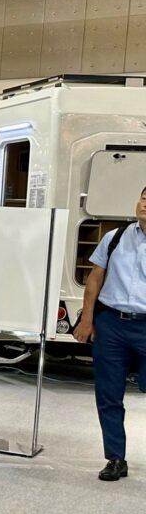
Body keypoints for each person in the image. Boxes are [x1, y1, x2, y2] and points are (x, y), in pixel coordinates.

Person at [73, 184, 146, 482]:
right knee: (108, 394)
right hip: (112, 324)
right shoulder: (115, 237)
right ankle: (115, 458)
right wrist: (87, 319)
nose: (145, 204)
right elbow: (95, 278)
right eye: (144, 198)